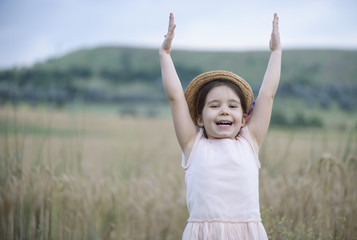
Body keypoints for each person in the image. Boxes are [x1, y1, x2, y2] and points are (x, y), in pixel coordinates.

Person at [160, 12, 281, 240]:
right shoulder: (192, 144)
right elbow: (176, 97)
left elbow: (268, 95)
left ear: (244, 118)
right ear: (198, 118)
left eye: (233, 106)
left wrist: (276, 52)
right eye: (214, 105)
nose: (224, 110)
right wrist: (164, 54)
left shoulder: (249, 141)